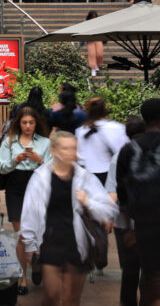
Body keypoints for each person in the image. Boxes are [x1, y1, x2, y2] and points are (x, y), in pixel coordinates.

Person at [20, 131, 118, 306]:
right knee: (51, 294)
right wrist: (30, 243)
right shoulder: (40, 177)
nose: (70, 153)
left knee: (71, 299)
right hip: (50, 241)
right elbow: (30, 210)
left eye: (73, 148)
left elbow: (106, 209)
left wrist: (87, 202)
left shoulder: (85, 177)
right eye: (65, 148)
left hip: (77, 243)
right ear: (54, 150)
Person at [0, 107, 52, 295]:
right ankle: (22, 277)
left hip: (38, 185)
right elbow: (3, 168)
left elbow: (54, 168)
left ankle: (37, 263)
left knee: (42, 231)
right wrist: (16, 159)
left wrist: (39, 160)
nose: (28, 126)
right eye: (24, 123)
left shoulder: (45, 142)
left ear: (36, 124)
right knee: (21, 234)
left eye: (31, 122)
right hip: (16, 187)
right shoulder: (9, 141)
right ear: (18, 124)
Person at [117, 99, 160, 305]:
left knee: (150, 276)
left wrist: (128, 229)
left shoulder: (127, 150)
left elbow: (122, 195)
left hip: (141, 225)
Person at [106, 115, 144, 306]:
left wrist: (107, 217)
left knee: (129, 269)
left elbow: (112, 193)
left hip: (124, 222)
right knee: (149, 269)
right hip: (149, 220)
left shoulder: (119, 156)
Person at [76, 97, 128, 186]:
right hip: (111, 175)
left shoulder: (81, 130)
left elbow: (79, 156)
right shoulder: (117, 128)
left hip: (88, 176)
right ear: (105, 110)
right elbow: (124, 153)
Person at [84, 11, 104, 76]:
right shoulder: (86, 22)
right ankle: (93, 68)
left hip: (98, 39)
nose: (94, 17)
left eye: (95, 16)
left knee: (99, 53)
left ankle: (97, 64)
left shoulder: (99, 22)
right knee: (92, 54)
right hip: (90, 39)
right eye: (92, 16)